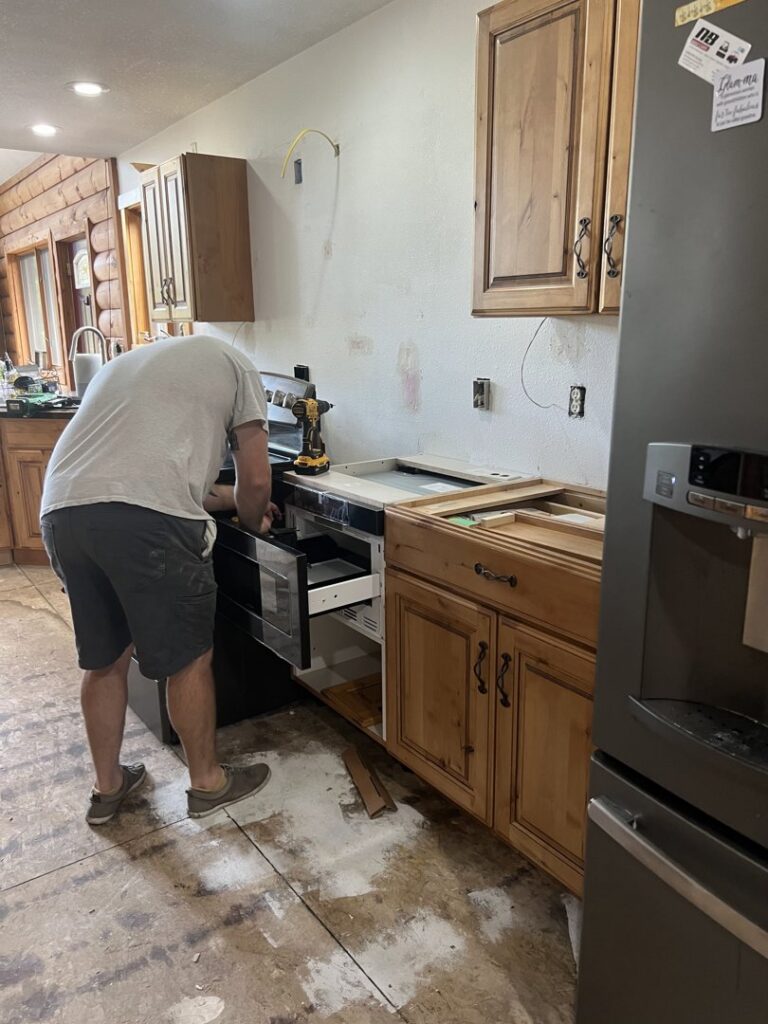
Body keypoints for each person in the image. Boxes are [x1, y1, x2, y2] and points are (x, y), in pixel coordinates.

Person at [40, 334, 276, 825]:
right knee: (188, 659)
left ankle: (108, 789)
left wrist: (232, 501)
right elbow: (256, 480)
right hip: (143, 522)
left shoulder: (126, 366)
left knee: (104, 657)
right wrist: (257, 525)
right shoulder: (238, 366)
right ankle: (208, 782)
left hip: (63, 513)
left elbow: (162, 482)